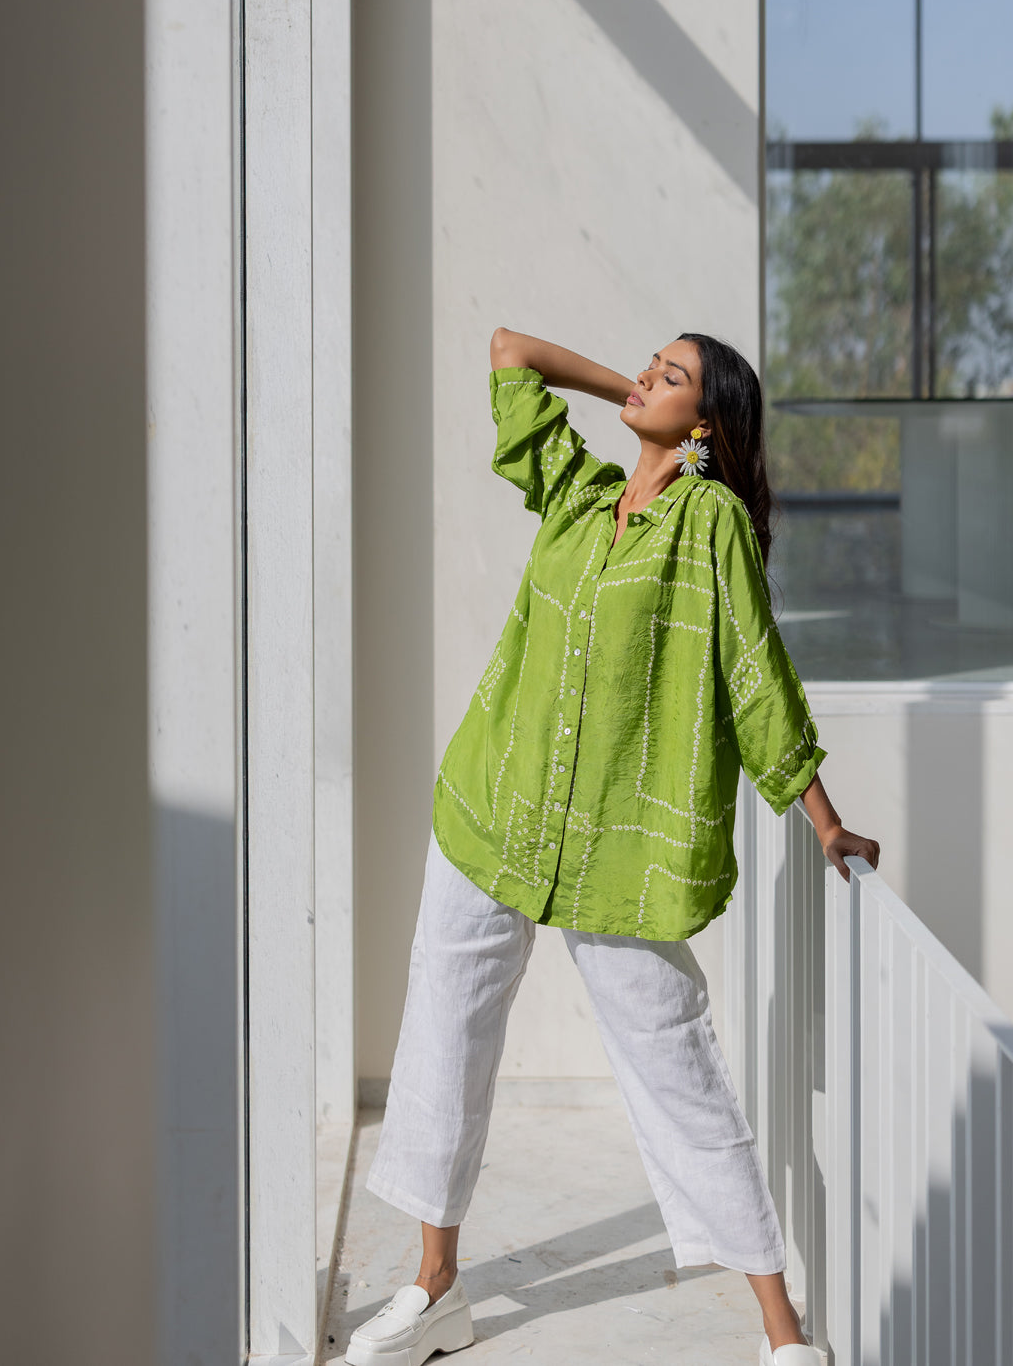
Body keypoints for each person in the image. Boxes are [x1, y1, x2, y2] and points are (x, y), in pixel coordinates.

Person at [344, 327, 881, 1366]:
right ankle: (435, 1284)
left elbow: (756, 672)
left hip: (618, 851)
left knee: (677, 1066)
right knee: (445, 1038)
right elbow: (508, 351)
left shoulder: (710, 523)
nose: (644, 378)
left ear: (709, 424)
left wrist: (821, 816)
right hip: (494, 812)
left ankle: (783, 1332)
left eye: (672, 377)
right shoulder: (580, 495)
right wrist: (634, 396)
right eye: (650, 364)